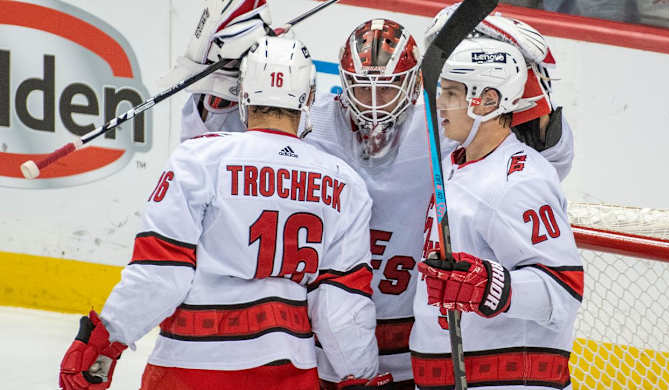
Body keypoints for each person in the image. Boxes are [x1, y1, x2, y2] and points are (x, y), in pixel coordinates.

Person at [173, 2, 575, 388]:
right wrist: (228, 84)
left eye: (386, 90)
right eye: (363, 90)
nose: (374, 106)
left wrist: (532, 93)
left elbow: (541, 161)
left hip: (415, 348)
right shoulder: (312, 125)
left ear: (415, 83)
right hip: (318, 339)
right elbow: (221, 153)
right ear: (340, 83)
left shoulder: (444, 126)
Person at [58, 35, 390, 390]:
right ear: (309, 97)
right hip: (288, 371)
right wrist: (361, 376)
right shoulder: (345, 184)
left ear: (244, 94)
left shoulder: (197, 160)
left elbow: (161, 274)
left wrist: (106, 341)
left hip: (189, 367)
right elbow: (340, 308)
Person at [410, 35, 582, 389]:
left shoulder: (521, 181)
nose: (440, 102)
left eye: (453, 93)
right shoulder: (453, 165)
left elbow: (564, 290)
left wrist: (488, 285)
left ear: (487, 101)